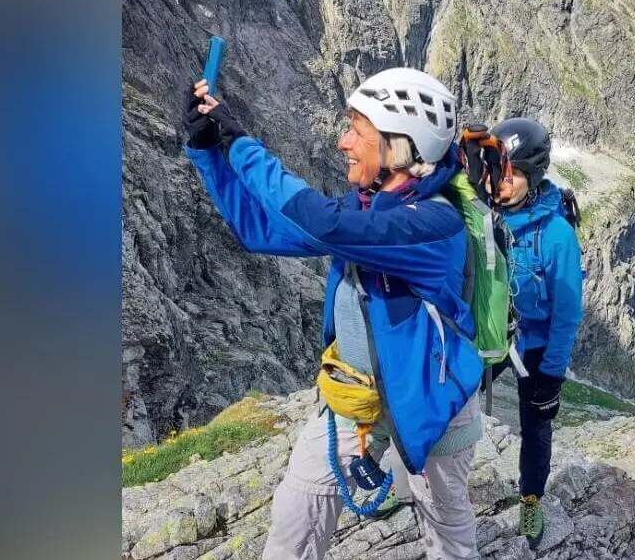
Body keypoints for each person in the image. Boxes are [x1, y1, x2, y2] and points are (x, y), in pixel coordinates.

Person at [181, 67, 485, 560]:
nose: (343, 142)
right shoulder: (366, 207)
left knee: (446, 527)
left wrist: (239, 143)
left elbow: (319, 222)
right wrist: (206, 150)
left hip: (431, 402)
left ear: (400, 147)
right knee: (296, 513)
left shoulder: (433, 225)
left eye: (358, 132)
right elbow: (260, 230)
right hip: (357, 397)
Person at [487, 117, 584, 549]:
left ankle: (531, 503)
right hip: (490, 334)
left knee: (536, 428)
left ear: (534, 175)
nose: (501, 182)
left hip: (536, 344)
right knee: (451, 405)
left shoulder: (557, 235)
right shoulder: (481, 214)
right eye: (496, 170)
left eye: (512, 174)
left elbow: (567, 312)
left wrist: (552, 375)